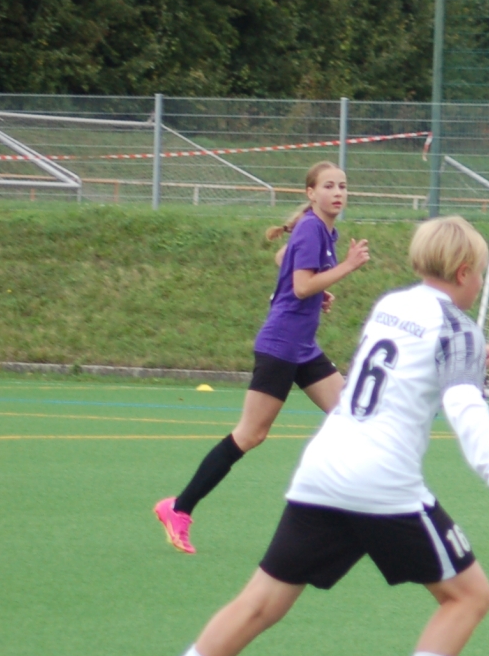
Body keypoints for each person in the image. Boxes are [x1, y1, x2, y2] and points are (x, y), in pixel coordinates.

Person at [114, 217, 489, 656]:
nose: (479, 283)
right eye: (480, 274)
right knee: (469, 597)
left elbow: (400, 368)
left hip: (323, 469)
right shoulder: (459, 331)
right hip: (382, 482)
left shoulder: (392, 306)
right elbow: (464, 405)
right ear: (463, 271)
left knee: (258, 605)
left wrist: (471, 354)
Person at [155, 161, 371, 553]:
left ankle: (349, 511)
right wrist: (344, 269)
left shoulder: (324, 230)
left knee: (352, 416)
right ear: (311, 193)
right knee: (251, 434)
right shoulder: (312, 228)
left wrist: (318, 290)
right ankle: (179, 508)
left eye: (342, 186)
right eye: (328, 186)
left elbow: (285, 260)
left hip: (302, 346)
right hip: (281, 346)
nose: (338, 192)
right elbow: (301, 286)